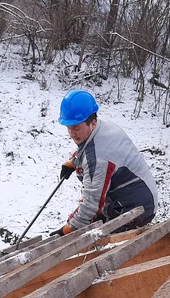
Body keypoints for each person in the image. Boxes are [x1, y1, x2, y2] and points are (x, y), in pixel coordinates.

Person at [50, 90, 159, 236]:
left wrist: (69, 229)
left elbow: (90, 206)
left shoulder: (98, 159)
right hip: (139, 194)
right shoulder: (104, 127)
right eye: (68, 127)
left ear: (92, 123)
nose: (71, 133)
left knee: (98, 244)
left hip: (136, 209)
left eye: (76, 127)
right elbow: (91, 147)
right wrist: (74, 162)